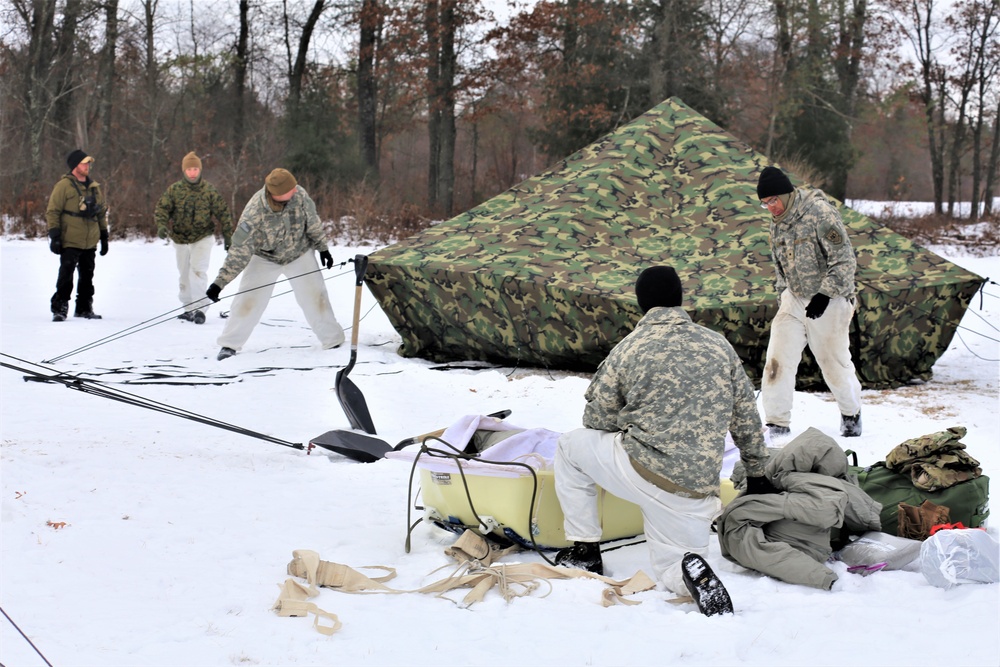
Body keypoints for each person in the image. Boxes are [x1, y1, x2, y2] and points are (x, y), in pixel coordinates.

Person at [552, 266, 772, 616]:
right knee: (675, 563)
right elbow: (745, 414)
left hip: (641, 470)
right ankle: (691, 575)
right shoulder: (719, 344)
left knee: (568, 446)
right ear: (680, 298)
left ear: (642, 304)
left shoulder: (630, 347)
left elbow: (596, 420)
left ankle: (585, 551)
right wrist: (757, 471)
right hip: (697, 489)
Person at [756, 166, 863, 438]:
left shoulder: (820, 213)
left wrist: (825, 294)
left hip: (830, 298)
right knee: (777, 361)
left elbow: (844, 260)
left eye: (773, 200)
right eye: (764, 203)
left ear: (786, 194)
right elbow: (778, 263)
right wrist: (784, 293)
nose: (770, 207)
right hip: (794, 298)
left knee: (833, 362)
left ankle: (851, 414)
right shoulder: (777, 221)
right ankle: (777, 422)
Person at [204, 168, 345, 360]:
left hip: (299, 253)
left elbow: (312, 221)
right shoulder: (254, 212)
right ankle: (229, 344)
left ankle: (333, 340)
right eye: (291, 189)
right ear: (276, 194)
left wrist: (323, 248)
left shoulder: (300, 195)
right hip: (264, 258)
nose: (296, 190)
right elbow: (239, 250)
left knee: (316, 296)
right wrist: (219, 283)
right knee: (247, 301)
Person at [155, 151, 233, 324]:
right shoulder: (174, 190)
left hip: (202, 237)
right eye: (189, 169)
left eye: (195, 169)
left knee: (197, 271)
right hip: (180, 239)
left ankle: (200, 309)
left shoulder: (208, 190)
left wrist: (228, 235)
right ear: (184, 171)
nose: (192, 172)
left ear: (200, 170)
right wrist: (161, 225)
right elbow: (162, 209)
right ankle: (188, 308)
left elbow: (223, 212)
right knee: (184, 275)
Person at [46, 149, 109, 321]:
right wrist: (55, 235)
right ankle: (59, 308)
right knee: (66, 275)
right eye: (84, 163)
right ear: (75, 166)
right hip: (70, 238)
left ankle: (84, 307)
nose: (88, 166)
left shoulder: (94, 188)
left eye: (89, 163)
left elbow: (101, 213)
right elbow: (53, 211)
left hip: (90, 240)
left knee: (87, 276)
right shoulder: (63, 186)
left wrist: (104, 235)